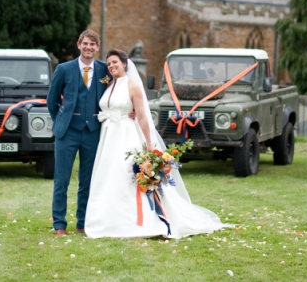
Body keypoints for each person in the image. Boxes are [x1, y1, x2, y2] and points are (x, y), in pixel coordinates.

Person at [84, 49, 226, 238]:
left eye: (115, 62)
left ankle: (133, 221)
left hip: (126, 137)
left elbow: (142, 116)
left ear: (125, 64)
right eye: (109, 63)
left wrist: (149, 143)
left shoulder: (132, 86)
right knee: (107, 177)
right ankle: (106, 219)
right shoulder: (108, 86)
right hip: (108, 137)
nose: (111, 66)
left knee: (125, 175)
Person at [47, 30, 108, 236]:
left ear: (97, 47)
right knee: (61, 180)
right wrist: (61, 121)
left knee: (87, 181)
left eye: (93, 44)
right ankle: (59, 224)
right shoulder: (64, 69)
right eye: (85, 43)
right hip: (68, 132)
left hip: (93, 132)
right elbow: (52, 100)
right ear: (78, 45)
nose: (88, 47)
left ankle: (83, 223)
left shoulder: (104, 70)